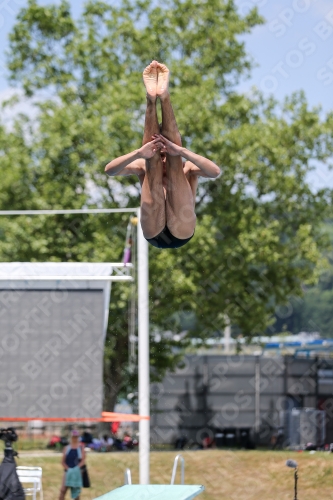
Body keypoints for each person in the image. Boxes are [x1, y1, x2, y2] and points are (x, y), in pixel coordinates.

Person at [105, 60, 220, 249]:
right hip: (154, 231)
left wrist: (179, 151)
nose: (164, 155)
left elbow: (215, 172)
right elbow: (109, 170)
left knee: (176, 164)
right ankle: (151, 99)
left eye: (165, 150)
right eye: (162, 152)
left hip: (181, 230)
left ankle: (164, 96)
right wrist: (139, 153)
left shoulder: (187, 167)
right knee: (151, 163)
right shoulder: (144, 165)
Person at [59, 430, 85, 500]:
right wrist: (69, 469)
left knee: (76, 492)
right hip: (68, 471)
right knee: (63, 490)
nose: (74, 438)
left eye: (76, 437)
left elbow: (83, 461)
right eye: (73, 437)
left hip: (77, 472)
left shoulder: (81, 448)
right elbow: (63, 461)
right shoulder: (66, 448)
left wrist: (76, 469)